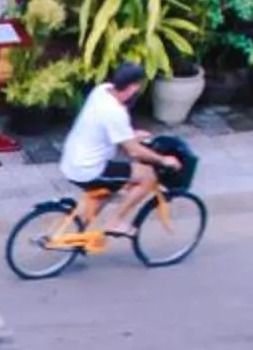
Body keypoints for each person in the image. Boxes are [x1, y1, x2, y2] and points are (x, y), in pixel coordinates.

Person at [59, 58, 170, 232]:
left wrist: (130, 135)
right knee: (147, 176)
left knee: (107, 190)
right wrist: (163, 160)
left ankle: (80, 234)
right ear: (132, 87)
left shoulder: (101, 91)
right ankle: (115, 222)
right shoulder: (115, 112)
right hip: (89, 169)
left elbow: (109, 129)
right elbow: (134, 152)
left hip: (71, 161)